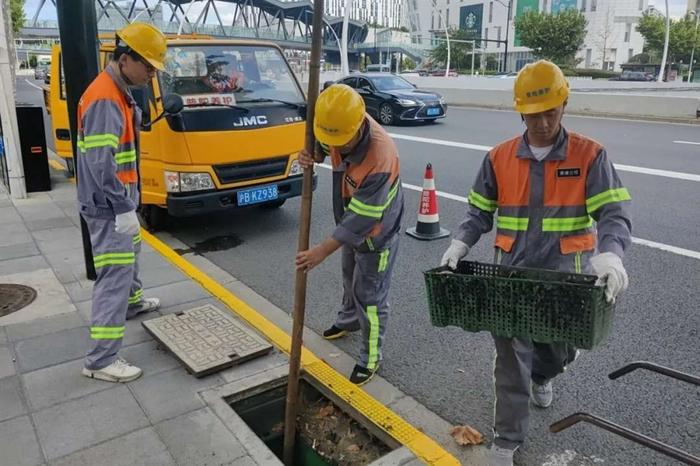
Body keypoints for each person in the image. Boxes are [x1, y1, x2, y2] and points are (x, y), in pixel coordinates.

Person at [439, 60, 632, 465]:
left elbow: (613, 214)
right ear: (520, 111)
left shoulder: (590, 156)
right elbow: (478, 212)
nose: (542, 122)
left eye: (550, 112)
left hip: (562, 279)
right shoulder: (499, 158)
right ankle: (507, 438)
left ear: (564, 104)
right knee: (510, 361)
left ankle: (545, 373)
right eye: (533, 114)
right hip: (510, 275)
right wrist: (460, 242)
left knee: (555, 350)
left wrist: (611, 254)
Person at [296, 84, 404, 386]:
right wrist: (311, 155)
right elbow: (321, 145)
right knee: (349, 277)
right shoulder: (335, 125)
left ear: (359, 125)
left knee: (369, 293)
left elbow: (363, 218)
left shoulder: (381, 155)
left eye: (342, 143)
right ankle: (348, 321)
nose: (338, 148)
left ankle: (371, 356)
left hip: (377, 231)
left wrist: (321, 249)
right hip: (349, 215)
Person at [77, 23, 167, 383]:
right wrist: (123, 208)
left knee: (131, 258)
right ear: (125, 58)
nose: (151, 75)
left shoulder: (119, 90)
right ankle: (100, 361)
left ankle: (133, 303)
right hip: (109, 206)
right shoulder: (105, 97)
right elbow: (102, 163)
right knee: (114, 275)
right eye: (148, 67)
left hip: (118, 202)